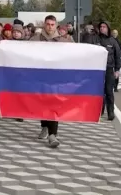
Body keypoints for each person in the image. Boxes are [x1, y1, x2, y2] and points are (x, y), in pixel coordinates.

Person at [31, 15, 73, 148]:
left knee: (54, 104)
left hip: (56, 79)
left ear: (56, 25)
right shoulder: (35, 39)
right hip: (40, 77)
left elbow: (74, 54)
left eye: (52, 24)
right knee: (43, 103)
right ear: (44, 25)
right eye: (48, 24)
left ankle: (52, 134)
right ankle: (44, 126)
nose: (50, 27)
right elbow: (21, 49)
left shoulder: (63, 41)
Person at [97, 21, 121, 121]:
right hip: (98, 69)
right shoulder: (96, 39)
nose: (102, 28)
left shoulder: (113, 41)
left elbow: (117, 56)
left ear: (108, 28)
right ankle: (99, 110)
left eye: (104, 27)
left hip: (109, 69)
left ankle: (110, 112)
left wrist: (117, 70)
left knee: (109, 91)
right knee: (99, 91)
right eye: (101, 26)